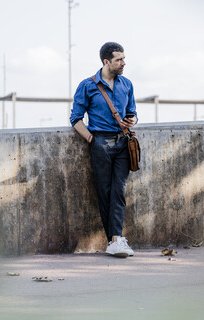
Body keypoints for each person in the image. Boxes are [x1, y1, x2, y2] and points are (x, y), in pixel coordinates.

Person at [70, 42, 137, 258]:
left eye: (124, 59)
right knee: (104, 192)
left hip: (123, 143)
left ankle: (116, 240)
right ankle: (115, 241)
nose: (123, 63)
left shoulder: (127, 84)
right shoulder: (87, 86)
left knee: (119, 190)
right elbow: (75, 119)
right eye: (119, 60)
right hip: (100, 143)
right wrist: (91, 138)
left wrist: (132, 120)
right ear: (106, 62)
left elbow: (133, 112)